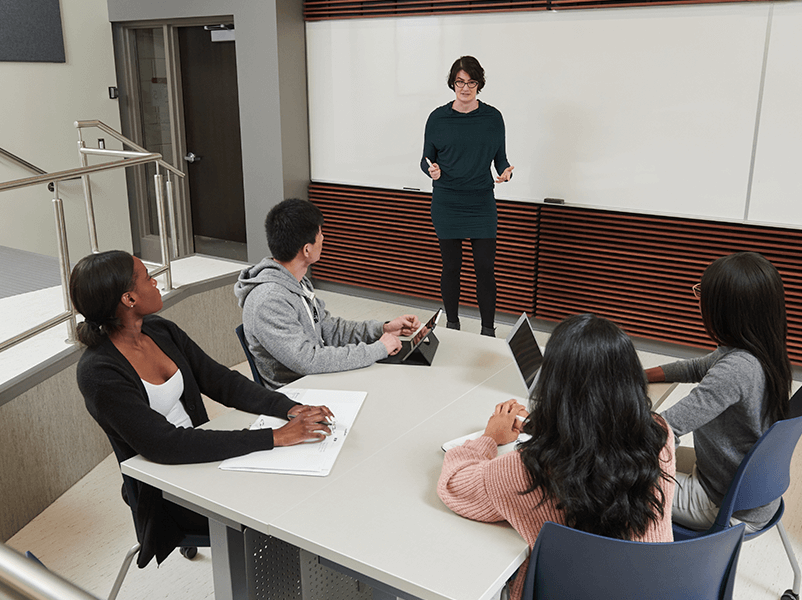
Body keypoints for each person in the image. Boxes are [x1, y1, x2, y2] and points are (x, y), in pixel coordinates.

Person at [71, 250, 334, 568]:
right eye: (147, 278)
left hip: (207, 455)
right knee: (285, 500)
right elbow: (164, 444)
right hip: (169, 489)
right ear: (128, 298)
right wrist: (274, 437)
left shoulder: (159, 331)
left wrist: (288, 407)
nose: (156, 283)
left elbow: (221, 380)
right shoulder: (98, 372)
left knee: (303, 478)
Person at [438, 314, 675, 596]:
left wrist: (490, 437)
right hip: (653, 587)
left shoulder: (524, 469)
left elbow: (453, 483)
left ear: (551, 388)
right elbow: (600, 442)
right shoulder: (660, 435)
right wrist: (545, 428)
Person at [646, 251, 792, 533]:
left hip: (721, 502)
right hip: (750, 490)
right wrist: (638, 375)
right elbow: (694, 368)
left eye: (704, 295)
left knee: (602, 478)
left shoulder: (735, 370)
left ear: (725, 311)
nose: (699, 301)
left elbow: (664, 429)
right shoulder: (761, 350)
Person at [235, 198, 421, 390]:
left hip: (319, 380)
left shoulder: (297, 282)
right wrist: (377, 350)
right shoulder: (268, 301)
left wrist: (383, 329)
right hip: (299, 394)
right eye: (320, 233)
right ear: (306, 249)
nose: (323, 238)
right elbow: (308, 360)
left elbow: (330, 329)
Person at [421, 55, 513, 337]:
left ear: (478, 84)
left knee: (485, 268)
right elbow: (425, 160)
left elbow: (501, 159)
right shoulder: (437, 118)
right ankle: (452, 326)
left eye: (471, 82)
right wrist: (431, 171)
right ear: (452, 83)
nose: (465, 87)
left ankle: (488, 331)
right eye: (460, 82)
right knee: (451, 267)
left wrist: (506, 171)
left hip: (481, 202)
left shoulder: (492, 117)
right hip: (447, 202)